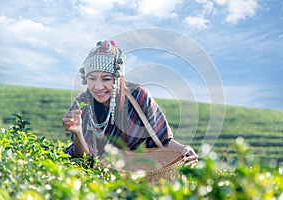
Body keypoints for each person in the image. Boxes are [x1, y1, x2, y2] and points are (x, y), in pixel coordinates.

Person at [62, 40, 198, 168]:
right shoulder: (82, 104)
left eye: (106, 79)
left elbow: (162, 140)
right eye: (92, 78)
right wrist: (78, 133)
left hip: (141, 171)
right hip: (100, 174)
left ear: (117, 78)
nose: (98, 86)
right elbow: (84, 160)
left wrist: (183, 149)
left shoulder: (138, 96)